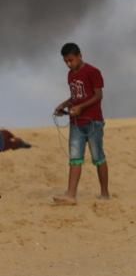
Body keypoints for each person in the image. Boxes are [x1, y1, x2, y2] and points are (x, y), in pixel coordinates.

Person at [53, 43, 109, 205]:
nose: (69, 64)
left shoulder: (93, 72)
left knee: (98, 157)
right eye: (66, 62)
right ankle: (71, 194)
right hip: (76, 123)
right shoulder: (70, 75)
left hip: (93, 122)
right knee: (75, 158)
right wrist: (64, 105)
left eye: (71, 60)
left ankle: (105, 193)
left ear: (79, 56)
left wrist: (80, 107)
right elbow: (75, 97)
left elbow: (98, 96)